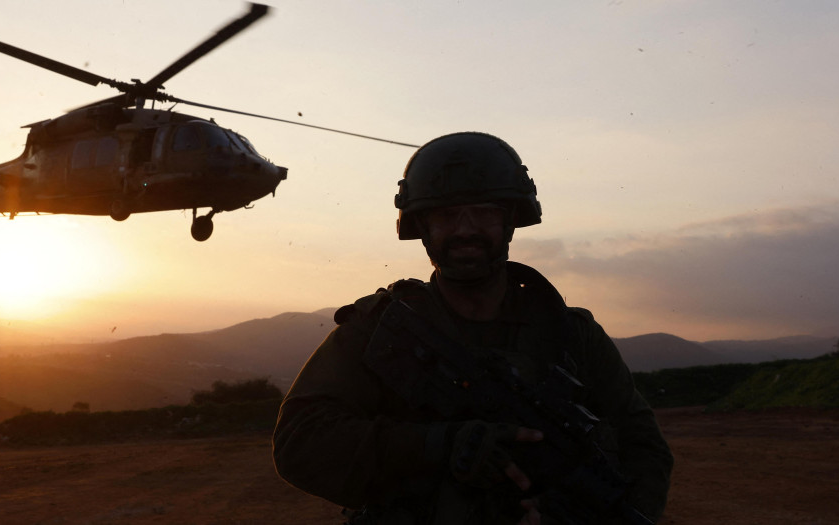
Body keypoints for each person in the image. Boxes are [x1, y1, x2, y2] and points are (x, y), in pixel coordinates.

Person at [272, 132, 673, 524]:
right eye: (447, 215)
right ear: (422, 228)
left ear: (511, 220)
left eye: (483, 212)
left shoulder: (571, 333)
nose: (465, 229)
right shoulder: (381, 330)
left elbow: (643, 445)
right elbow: (300, 442)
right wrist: (439, 446)